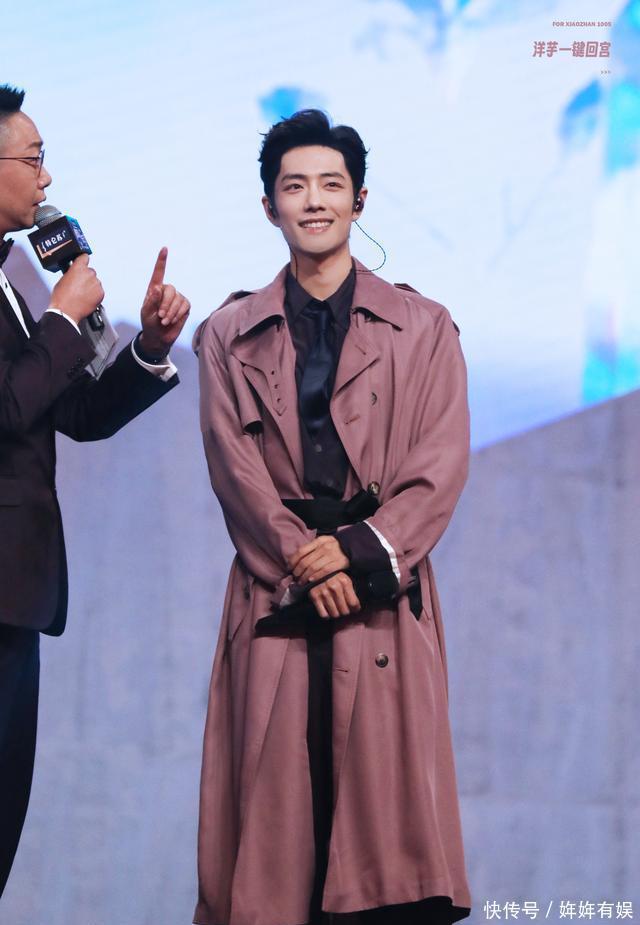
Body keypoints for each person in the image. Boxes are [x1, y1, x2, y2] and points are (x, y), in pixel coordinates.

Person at [194, 109, 471, 925]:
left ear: (359, 200)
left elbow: (439, 464)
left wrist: (353, 553)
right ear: (269, 205)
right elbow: (234, 471)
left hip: (381, 595)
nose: (313, 201)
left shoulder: (425, 326)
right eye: (294, 186)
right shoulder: (227, 333)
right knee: (276, 840)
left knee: (384, 847)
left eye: (330, 185)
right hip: (277, 591)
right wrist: (305, 561)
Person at [0, 84, 191, 897]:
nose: (47, 179)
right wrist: (58, 318)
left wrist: (147, 348)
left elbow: (70, 412)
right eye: (34, 159)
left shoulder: (10, 283)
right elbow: (7, 407)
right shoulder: (33, 301)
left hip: (19, 593)